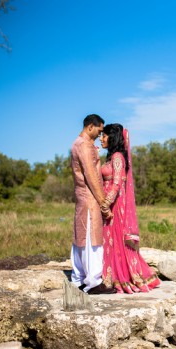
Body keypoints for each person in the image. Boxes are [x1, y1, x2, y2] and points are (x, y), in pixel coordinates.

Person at [99, 123, 161, 294]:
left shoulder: (118, 157)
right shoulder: (110, 158)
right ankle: (109, 275)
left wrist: (106, 204)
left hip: (115, 205)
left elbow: (117, 182)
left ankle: (121, 278)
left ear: (113, 137)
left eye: (104, 136)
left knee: (116, 241)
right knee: (109, 241)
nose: (101, 139)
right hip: (108, 204)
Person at [70, 114, 116, 294]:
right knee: (91, 238)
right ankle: (93, 282)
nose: (100, 134)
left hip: (83, 196)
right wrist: (103, 202)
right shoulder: (84, 145)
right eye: (98, 130)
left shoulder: (78, 143)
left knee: (82, 237)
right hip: (90, 197)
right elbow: (91, 175)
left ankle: (79, 279)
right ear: (90, 127)